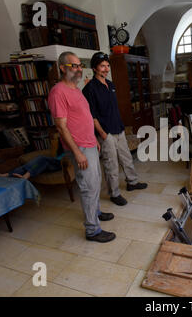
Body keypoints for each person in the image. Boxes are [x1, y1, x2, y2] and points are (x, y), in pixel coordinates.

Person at [48, 51, 116, 243]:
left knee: (96, 181)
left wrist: (94, 139)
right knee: (88, 186)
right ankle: (92, 230)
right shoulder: (58, 92)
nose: (78, 69)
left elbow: (84, 117)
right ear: (62, 68)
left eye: (79, 66)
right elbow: (61, 126)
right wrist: (77, 152)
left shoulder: (76, 89)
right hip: (79, 148)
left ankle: (96, 212)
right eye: (74, 66)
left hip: (89, 143)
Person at [82, 52, 147, 206]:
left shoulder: (110, 84)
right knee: (111, 164)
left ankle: (132, 182)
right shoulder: (89, 89)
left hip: (118, 128)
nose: (106, 69)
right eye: (102, 66)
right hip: (106, 132)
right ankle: (114, 193)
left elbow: (113, 108)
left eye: (107, 65)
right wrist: (103, 134)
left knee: (127, 158)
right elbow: (92, 116)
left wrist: (121, 126)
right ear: (94, 68)